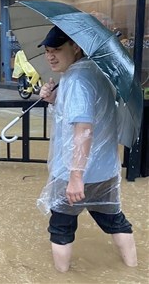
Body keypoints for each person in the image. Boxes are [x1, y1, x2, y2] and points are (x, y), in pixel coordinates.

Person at [37, 26, 137, 272]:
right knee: (116, 222)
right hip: (105, 172)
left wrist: (75, 177)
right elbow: (89, 113)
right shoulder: (98, 72)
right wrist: (54, 99)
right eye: (48, 51)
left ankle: (61, 277)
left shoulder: (76, 79)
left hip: (75, 174)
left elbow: (83, 129)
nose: (50, 56)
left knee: (60, 229)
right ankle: (133, 269)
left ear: (76, 47)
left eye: (57, 49)